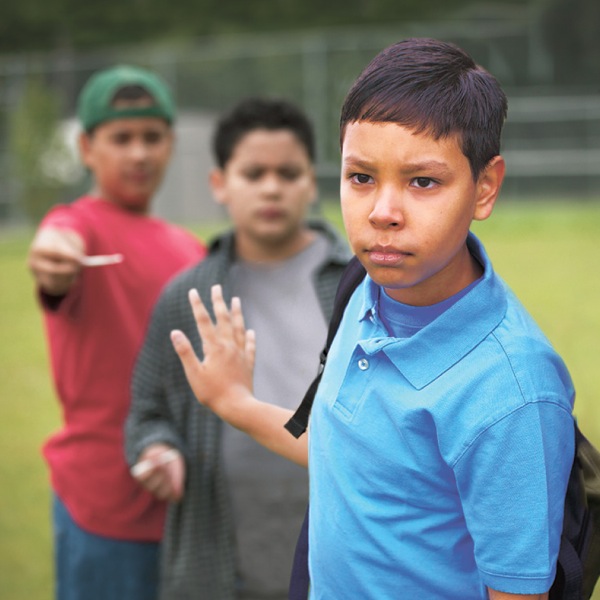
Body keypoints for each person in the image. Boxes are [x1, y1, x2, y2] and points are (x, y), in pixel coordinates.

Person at [169, 38, 577, 600]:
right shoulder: (365, 286)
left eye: (423, 182)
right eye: (361, 177)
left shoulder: (510, 392)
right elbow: (353, 457)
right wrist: (234, 402)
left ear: (485, 187)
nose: (382, 213)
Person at [125, 97, 351, 599]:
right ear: (220, 184)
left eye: (288, 173)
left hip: (339, 555)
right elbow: (147, 411)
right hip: (222, 563)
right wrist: (157, 449)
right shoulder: (187, 295)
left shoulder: (360, 285)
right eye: (253, 173)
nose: (272, 187)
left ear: (311, 182)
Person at [27, 64, 206, 600]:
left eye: (152, 137)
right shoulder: (80, 225)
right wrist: (54, 256)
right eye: (121, 138)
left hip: (182, 502)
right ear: (86, 148)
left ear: (171, 145)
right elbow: (57, 246)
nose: (139, 154)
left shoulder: (187, 248)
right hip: (102, 507)